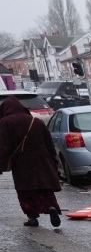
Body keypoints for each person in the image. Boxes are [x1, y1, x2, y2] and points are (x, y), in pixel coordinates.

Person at [0, 96, 63, 229]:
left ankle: (32, 217)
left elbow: (4, 147)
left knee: (26, 191)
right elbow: (49, 143)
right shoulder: (36, 121)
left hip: (22, 163)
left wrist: (2, 164)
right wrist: (54, 161)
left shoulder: (5, 123)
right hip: (42, 161)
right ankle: (51, 207)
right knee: (44, 189)